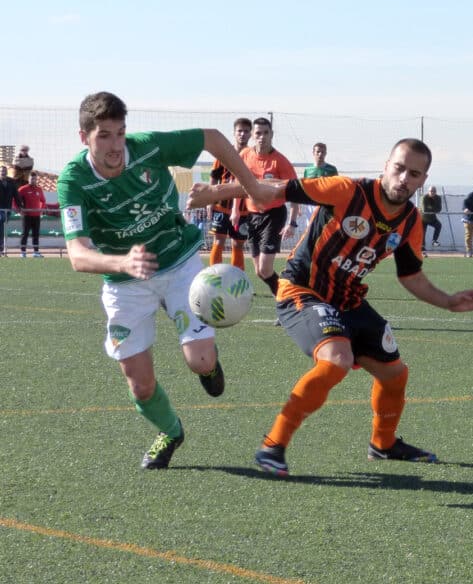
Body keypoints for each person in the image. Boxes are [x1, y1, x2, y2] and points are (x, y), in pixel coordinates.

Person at [186, 138, 473, 476]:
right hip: (302, 291)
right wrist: (215, 194)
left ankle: (383, 445)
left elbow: (412, 276)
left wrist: (448, 301)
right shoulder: (347, 190)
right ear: (386, 166)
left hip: (349, 300)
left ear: (423, 179)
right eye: (399, 168)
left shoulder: (410, 222)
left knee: (395, 375)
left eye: (414, 174)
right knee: (336, 360)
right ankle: (273, 445)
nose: (404, 178)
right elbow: (271, 190)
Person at [57, 91, 276, 470]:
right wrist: (122, 262)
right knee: (139, 386)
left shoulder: (148, 147)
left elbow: (211, 137)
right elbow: (77, 254)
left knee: (199, 358)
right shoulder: (73, 180)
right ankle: (171, 431)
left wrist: (251, 185)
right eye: (104, 136)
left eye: (120, 133)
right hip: (125, 281)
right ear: (84, 137)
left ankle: (208, 365)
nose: (115, 146)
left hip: (179, 262)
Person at [234, 117, 299, 296]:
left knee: (265, 268)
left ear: (271, 135)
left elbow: (295, 192)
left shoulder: (280, 161)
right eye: (258, 133)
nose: (262, 137)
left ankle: (289, 299)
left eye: (265, 133)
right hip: (253, 216)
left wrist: (292, 222)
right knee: (259, 271)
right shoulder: (245, 155)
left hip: (274, 215)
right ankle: (286, 298)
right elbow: (238, 184)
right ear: (253, 136)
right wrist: (235, 211)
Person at [208, 117, 252, 269]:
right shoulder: (223, 153)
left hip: (243, 209)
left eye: (246, 131)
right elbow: (214, 178)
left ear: (250, 134)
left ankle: (237, 281)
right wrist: (210, 202)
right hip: (221, 206)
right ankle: (214, 279)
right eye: (240, 131)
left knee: (237, 244)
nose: (242, 134)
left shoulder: (253, 156)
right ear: (234, 133)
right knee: (218, 241)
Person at [300, 142, 338, 224]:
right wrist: (300, 205)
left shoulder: (332, 169)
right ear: (313, 153)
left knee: (324, 226)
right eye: (318, 152)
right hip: (311, 203)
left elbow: (337, 188)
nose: (320, 154)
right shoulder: (308, 170)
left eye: (323, 152)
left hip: (326, 203)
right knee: (310, 226)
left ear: (326, 153)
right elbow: (304, 188)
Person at [16, 171, 46, 258]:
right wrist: (19, 210)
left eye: (35, 179)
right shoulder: (23, 189)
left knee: (36, 234)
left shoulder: (39, 189)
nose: (34, 180)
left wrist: (41, 209)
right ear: (28, 179)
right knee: (25, 234)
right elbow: (15, 200)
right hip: (27, 216)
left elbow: (43, 201)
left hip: (36, 216)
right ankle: (23, 253)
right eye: (32, 178)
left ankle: (36, 252)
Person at [0, 166, 23, 257]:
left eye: (4, 171)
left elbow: (16, 195)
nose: (3, 172)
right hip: (0, 209)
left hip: (7, 209)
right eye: (1, 171)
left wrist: (20, 207)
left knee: (2, 224)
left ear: (6, 172)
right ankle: (1, 247)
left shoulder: (11, 182)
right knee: (0, 220)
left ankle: (2, 247)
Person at [421, 185, 443, 255]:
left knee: (438, 225)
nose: (432, 193)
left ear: (436, 192)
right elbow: (424, 210)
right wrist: (433, 209)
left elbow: (439, 209)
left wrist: (432, 209)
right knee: (422, 234)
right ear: (428, 192)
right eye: (431, 191)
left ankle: (434, 241)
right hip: (423, 218)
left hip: (432, 218)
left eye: (434, 191)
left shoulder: (438, 198)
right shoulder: (424, 197)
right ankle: (423, 250)